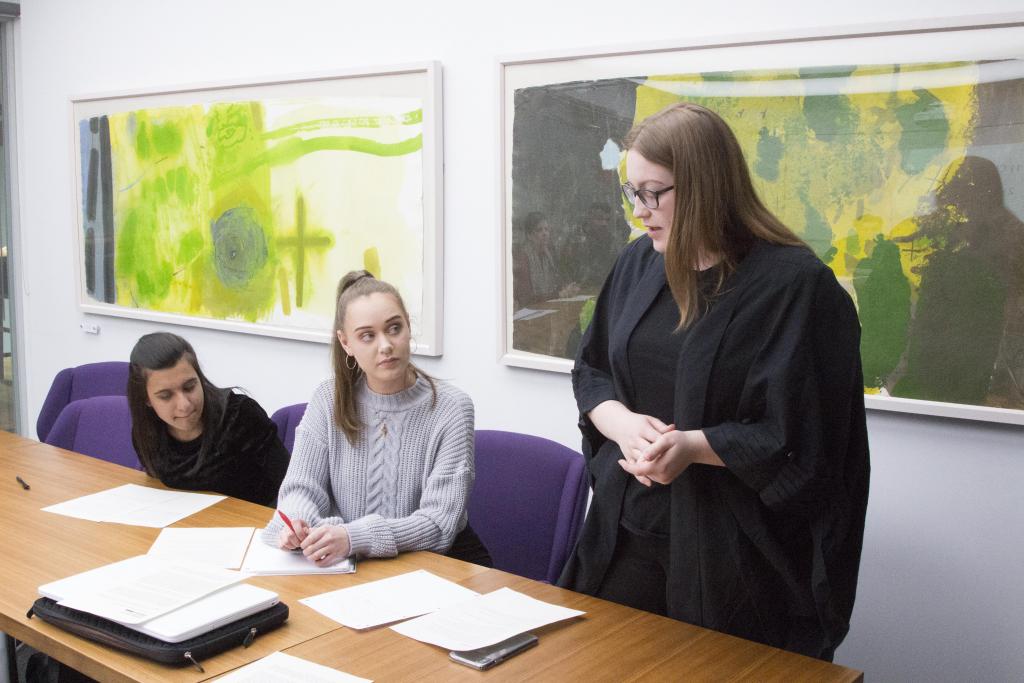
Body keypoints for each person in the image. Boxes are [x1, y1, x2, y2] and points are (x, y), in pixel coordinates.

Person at [558, 102, 870, 661]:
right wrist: (623, 424)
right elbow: (592, 370)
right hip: (627, 531)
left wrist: (693, 447)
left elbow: (807, 440)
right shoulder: (637, 265)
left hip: (737, 561)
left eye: (654, 193)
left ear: (704, 185)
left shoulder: (797, 288)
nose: (640, 211)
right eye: (632, 193)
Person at [262, 271, 491, 568]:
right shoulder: (327, 397)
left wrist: (354, 537)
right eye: (367, 336)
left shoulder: (452, 408)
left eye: (394, 328)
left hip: (437, 566)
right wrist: (296, 525)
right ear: (346, 343)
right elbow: (301, 488)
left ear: (408, 326)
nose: (385, 345)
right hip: (352, 565)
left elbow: (438, 525)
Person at [127, 332, 290, 507]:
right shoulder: (147, 432)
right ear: (146, 399)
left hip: (254, 525)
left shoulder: (240, 416)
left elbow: (291, 488)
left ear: (200, 378)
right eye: (166, 396)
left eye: (190, 387)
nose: (184, 405)